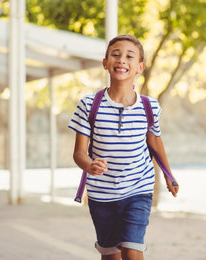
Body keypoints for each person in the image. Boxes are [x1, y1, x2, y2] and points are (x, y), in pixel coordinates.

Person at [68, 34, 179, 260]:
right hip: (102, 194)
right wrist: (90, 165)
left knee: (131, 249)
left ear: (140, 67)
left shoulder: (150, 106)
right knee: (111, 255)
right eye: (115, 55)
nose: (122, 60)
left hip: (139, 188)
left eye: (129, 56)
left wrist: (169, 175)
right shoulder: (89, 105)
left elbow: (155, 142)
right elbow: (79, 153)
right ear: (105, 63)